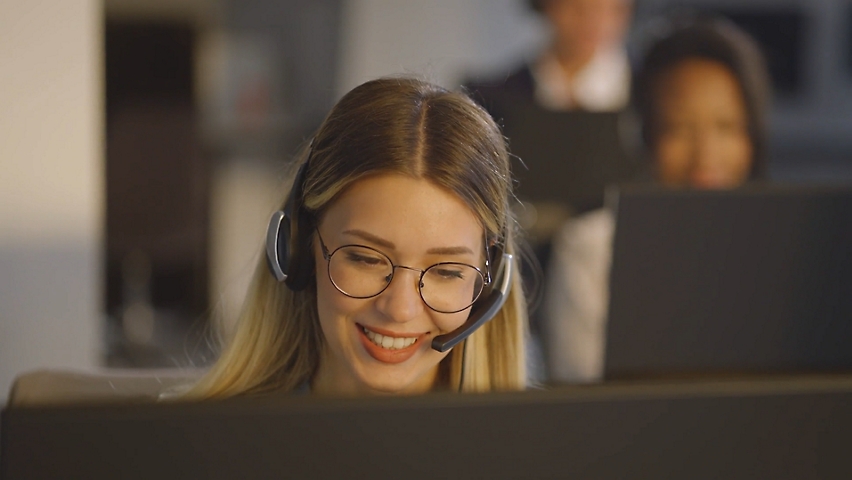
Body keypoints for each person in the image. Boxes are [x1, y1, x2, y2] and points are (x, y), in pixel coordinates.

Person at [185, 77, 529, 398]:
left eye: (447, 271)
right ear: (299, 249)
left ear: (488, 287)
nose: (399, 309)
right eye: (366, 258)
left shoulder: (529, 458)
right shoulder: (197, 449)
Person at [543, 18, 772, 383]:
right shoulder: (593, 247)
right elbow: (580, 393)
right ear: (644, 133)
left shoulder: (781, 245)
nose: (706, 155)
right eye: (679, 129)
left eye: (727, 127)